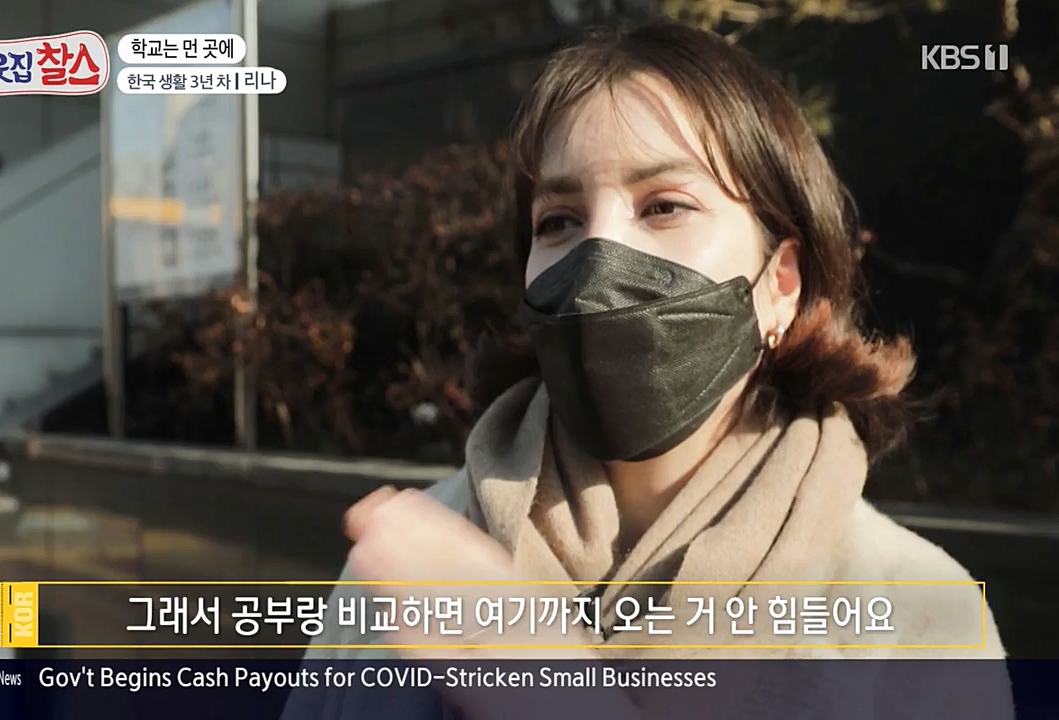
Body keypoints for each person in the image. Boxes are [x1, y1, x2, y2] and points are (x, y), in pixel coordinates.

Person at [283, 18, 1013, 720]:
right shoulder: (405, 574)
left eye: (664, 206)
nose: (598, 259)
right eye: (558, 221)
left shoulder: (921, 620)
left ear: (781, 283)